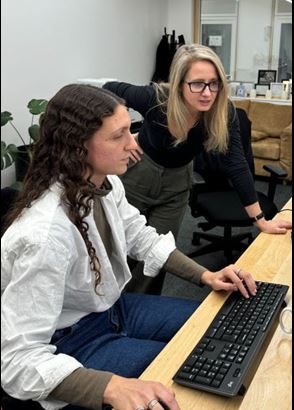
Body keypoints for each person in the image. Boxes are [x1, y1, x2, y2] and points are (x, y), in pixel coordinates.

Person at [1, 84, 257, 410]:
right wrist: (110, 388)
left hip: (112, 310)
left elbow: (141, 236)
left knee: (216, 325)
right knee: (186, 382)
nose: (133, 143)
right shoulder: (45, 236)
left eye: (130, 130)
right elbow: (17, 360)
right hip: (70, 341)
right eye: (118, 135)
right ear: (77, 147)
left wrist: (206, 276)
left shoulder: (105, 184)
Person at [103, 44, 292, 293]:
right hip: (139, 172)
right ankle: (105, 308)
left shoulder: (224, 112)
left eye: (214, 83)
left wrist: (260, 220)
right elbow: (108, 91)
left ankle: (142, 309)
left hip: (177, 182)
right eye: (198, 83)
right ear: (180, 83)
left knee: (159, 255)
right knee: (117, 245)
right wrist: (128, 135)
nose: (207, 93)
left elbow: (237, 164)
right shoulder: (155, 99)